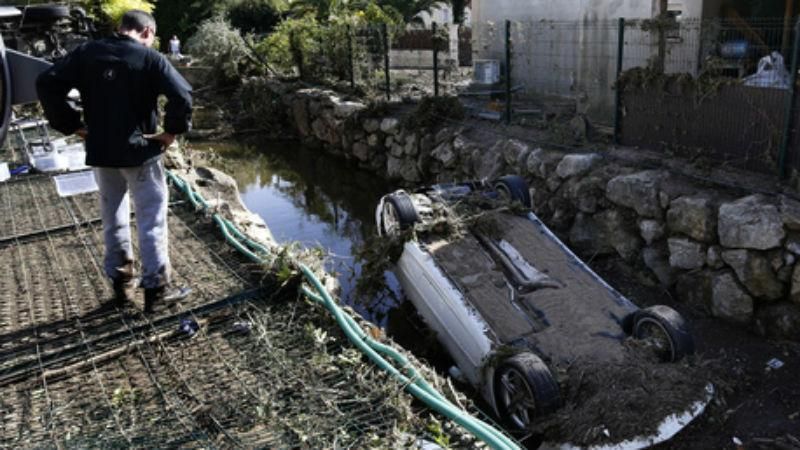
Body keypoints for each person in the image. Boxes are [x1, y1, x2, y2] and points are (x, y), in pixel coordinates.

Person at [36, 9, 193, 313]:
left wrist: (73, 125)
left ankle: (122, 286)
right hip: (140, 151)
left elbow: (46, 82)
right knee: (151, 219)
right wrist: (171, 132)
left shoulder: (87, 53)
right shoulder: (151, 58)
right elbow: (183, 95)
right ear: (147, 32)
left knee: (113, 217)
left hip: (102, 151)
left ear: (122, 28)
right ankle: (157, 290)